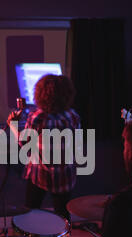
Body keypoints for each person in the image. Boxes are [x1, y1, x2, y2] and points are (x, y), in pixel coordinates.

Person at [7, 74, 81, 221]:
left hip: (39, 173)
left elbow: (25, 144)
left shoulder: (37, 116)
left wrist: (12, 125)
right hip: (64, 174)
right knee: (63, 216)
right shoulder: (73, 115)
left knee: (30, 212)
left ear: (40, 94)